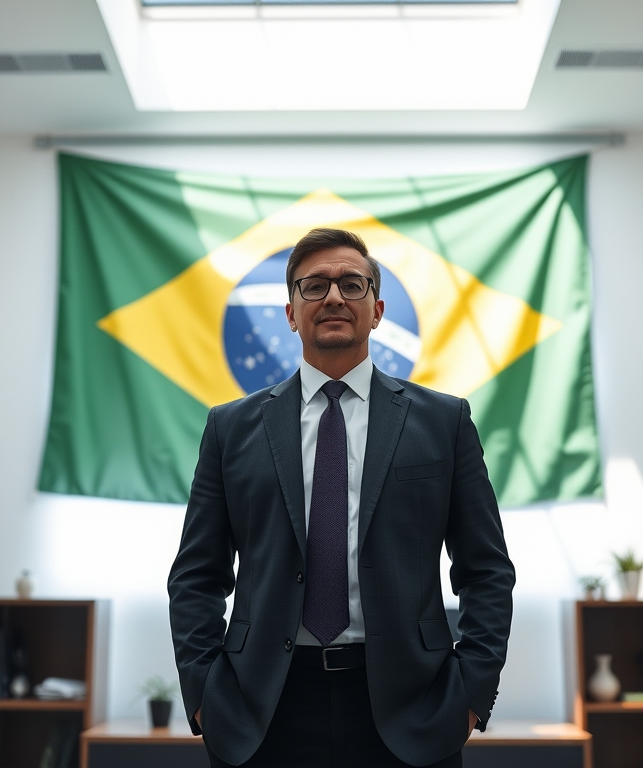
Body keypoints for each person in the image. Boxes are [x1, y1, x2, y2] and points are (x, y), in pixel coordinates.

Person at [168, 227, 516, 768]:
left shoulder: (444, 422)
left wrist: (469, 695)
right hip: (261, 711)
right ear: (290, 313)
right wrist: (204, 698)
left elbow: (486, 570)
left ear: (376, 310)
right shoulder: (231, 428)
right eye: (314, 286)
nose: (333, 296)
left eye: (352, 284)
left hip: (412, 710)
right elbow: (196, 574)